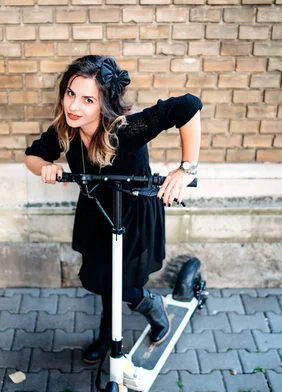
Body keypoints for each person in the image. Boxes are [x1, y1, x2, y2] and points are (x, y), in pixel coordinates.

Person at [24, 55, 202, 363]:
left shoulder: (126, 131)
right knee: (98, 278)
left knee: (118, 281)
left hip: (132, 214)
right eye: (70, 93)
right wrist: (46, 167)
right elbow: (32, 156)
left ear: (103, 103)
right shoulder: (66, 129)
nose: (74, 106)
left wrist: (186, 169)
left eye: (87, 99)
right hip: (97, 213)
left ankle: (150, 307)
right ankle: (109, 332)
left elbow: (188, 105)